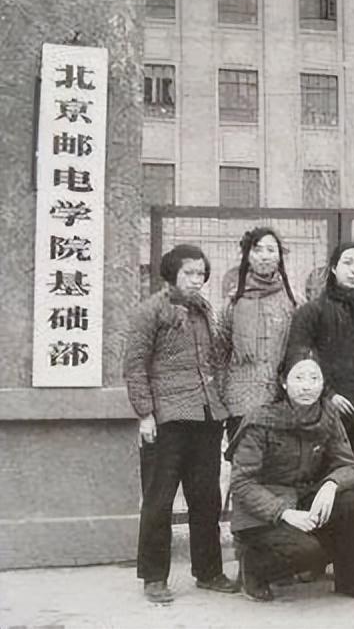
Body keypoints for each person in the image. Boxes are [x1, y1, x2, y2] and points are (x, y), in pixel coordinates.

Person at [123, 244, 237, 604]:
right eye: (189, 273)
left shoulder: (204, 310)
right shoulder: (149, 311)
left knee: (206, 498)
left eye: (201, 273)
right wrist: (145, 414)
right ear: (172, 273)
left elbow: (215, 360)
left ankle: (209, 571)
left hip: (206, 417)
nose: (196, 279)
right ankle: (154, 577)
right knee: (159, 500)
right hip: (166, 419)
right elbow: (135, 365)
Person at [285, 242, 354, 594]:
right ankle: (317, 559)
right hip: (332, 420)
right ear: (333, 268)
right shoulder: (312, 312)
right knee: (329, 491)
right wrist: (329, 394)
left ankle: (351, 577)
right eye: (348, 262)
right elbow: (297, 359)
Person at [228, 350, 354, 601]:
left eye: (314, 378)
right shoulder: (260, 420)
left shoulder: (327, 414)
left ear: (323, 383)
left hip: (302, 499)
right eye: (299, 377)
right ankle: (253, 569)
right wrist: (283, 512)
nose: (307, 386)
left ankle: (350, 581)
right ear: (284, 382)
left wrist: (331, 485)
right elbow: (242, 482)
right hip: (262, 513)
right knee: (310, 553)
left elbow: (350, 466)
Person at [219, 227, 298, 440]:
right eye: (257, 250)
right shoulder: (233, 302)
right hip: (240, 400)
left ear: (280, 256)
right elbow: (220, 351)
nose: (264, 256)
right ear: (247, 256)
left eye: (271, 250)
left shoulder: (292, 301)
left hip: (279, 399)